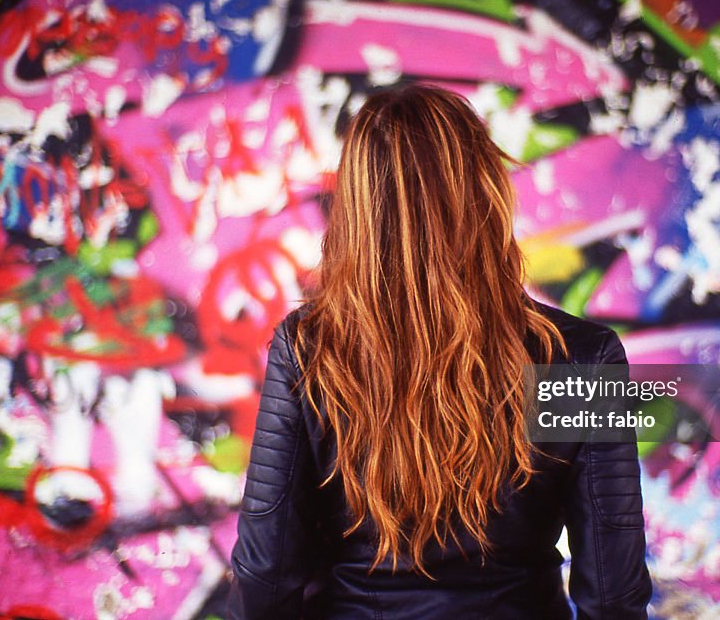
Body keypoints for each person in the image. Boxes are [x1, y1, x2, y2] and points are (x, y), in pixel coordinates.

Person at [227, 84, 652, 619]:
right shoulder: (578, 357)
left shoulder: (311, 348)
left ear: (357, 207)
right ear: (487, 193)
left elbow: (267, 573)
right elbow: (613, 593)